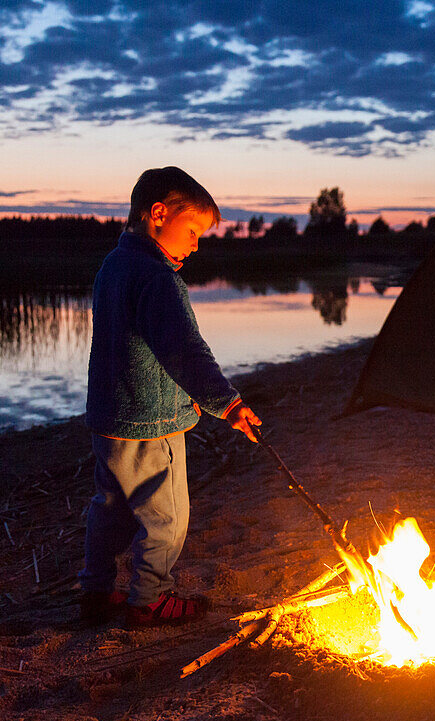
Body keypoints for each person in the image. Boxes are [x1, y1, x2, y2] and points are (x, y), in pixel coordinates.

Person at [79, 167, 261, 628]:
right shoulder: (158, 279)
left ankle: (96, 588)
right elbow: (184, 352)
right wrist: (228, 404)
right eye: (194, 230)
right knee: (167, 518)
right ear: (158, 214)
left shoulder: (112, 266)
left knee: (112, 510)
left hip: (108, 420)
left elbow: (138, 349)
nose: (197, 244)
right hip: (150, 425)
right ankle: (149, 598)